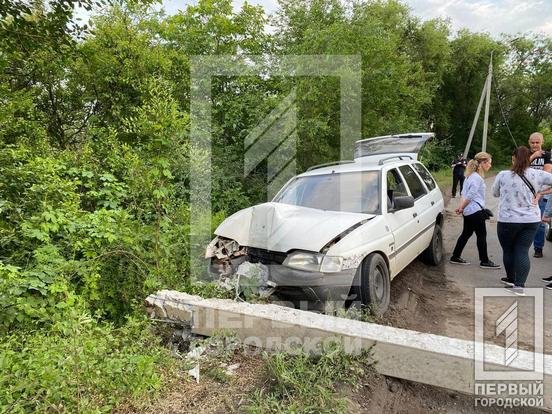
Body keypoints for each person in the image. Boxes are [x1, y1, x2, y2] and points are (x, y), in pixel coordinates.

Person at [492, 146, 552, 295]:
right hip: (531, 220)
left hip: (507, 220)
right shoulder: (538, 174)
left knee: (508, 250)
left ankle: (511, 279)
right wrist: (541, 193)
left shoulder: (503, 175)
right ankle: (519, 286)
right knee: (522, 250)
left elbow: (494, 193)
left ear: (513, 158)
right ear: (529, 160)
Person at [450, 152, 500, 269]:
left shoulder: (469, 176)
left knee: (466, 233)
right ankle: (484, 261)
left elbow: (463, 193)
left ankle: (455, 256)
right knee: (481, 235)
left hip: (469, 211)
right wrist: (461, 207)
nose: (490, 166)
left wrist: (461, 207)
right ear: (483, 163)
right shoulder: (477, 178)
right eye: (489, 163)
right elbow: (470, 195)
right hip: (475, 211)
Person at [528, 132, 552, 258]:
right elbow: (517, 168)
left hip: (542, 193)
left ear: (541, 142)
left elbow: (547, 174)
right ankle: (523, 246)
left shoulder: (547, 155)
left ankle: (538, 248)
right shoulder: (525, 154)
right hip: (525, 193)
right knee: (523, 220)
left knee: (539, 222)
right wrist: (533, 156)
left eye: (537, 142)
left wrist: (540, 194)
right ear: (529, 142)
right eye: (532, 142)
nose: (535, 145)